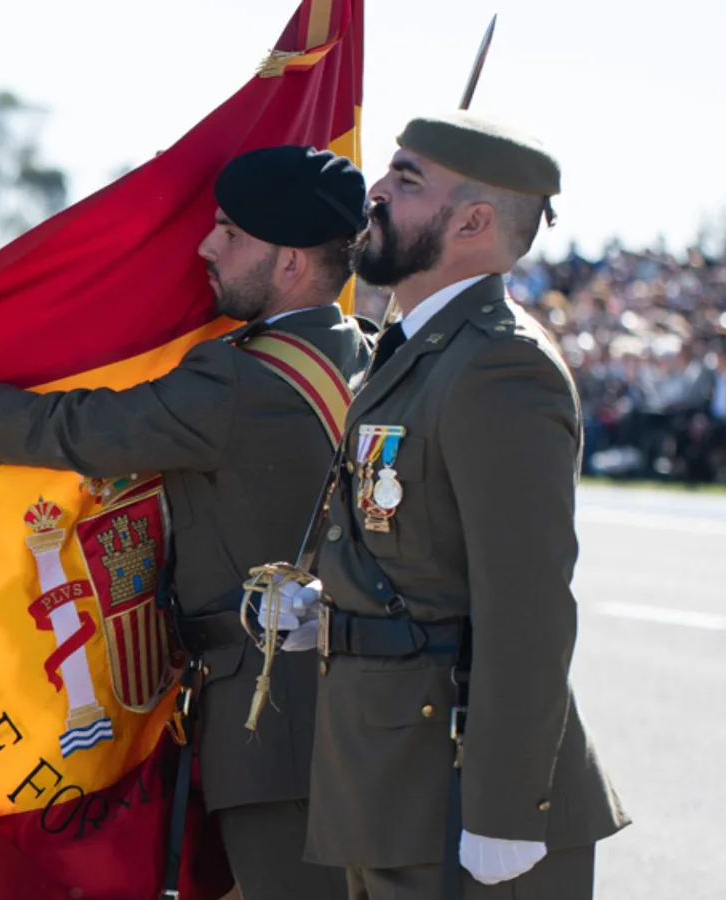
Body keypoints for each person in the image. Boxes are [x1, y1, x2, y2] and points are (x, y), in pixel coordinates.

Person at [0, 145, 374, 900]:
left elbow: (69, 429)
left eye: (229, 232)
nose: (205, 246)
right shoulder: (366, 354)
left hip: (273, 728)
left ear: (291, 261)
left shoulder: (240, 377)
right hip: (355, 710)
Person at [275, 111, 630, 898]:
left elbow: (527, 604)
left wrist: (506, 808)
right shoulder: (421, 350)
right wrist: (329, 606)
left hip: (461, 790)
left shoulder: (499, 367)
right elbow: (415, 548)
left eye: (405, 181)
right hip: (390, 784)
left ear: (472, 221)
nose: (375, 193)